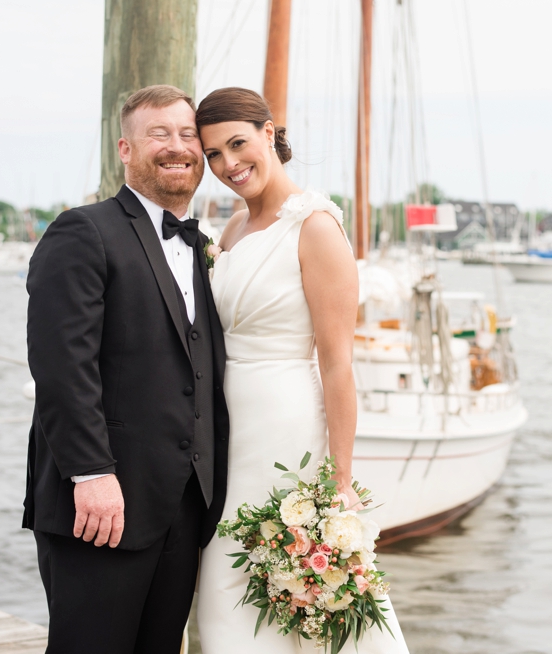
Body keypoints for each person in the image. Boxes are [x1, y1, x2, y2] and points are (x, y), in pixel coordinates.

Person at [194, 86, 409, 653]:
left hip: (286, 425)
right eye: (213, 154)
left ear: (270, 132)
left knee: (298, 579)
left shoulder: (315, 227)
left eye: (237, 144)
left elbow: (338, 363)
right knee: (224, 583)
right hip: (224, 431)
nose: (227, 164)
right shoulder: (234, 229)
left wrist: (340, 479)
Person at [24, 85, 229, 653]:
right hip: (102, 506)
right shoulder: (83, 231)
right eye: (158, 134)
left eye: (188, 135)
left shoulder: (203, 246)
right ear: (125, 149)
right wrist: (91, 474)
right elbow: (61, 365)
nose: (177, 147)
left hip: (184, 507)